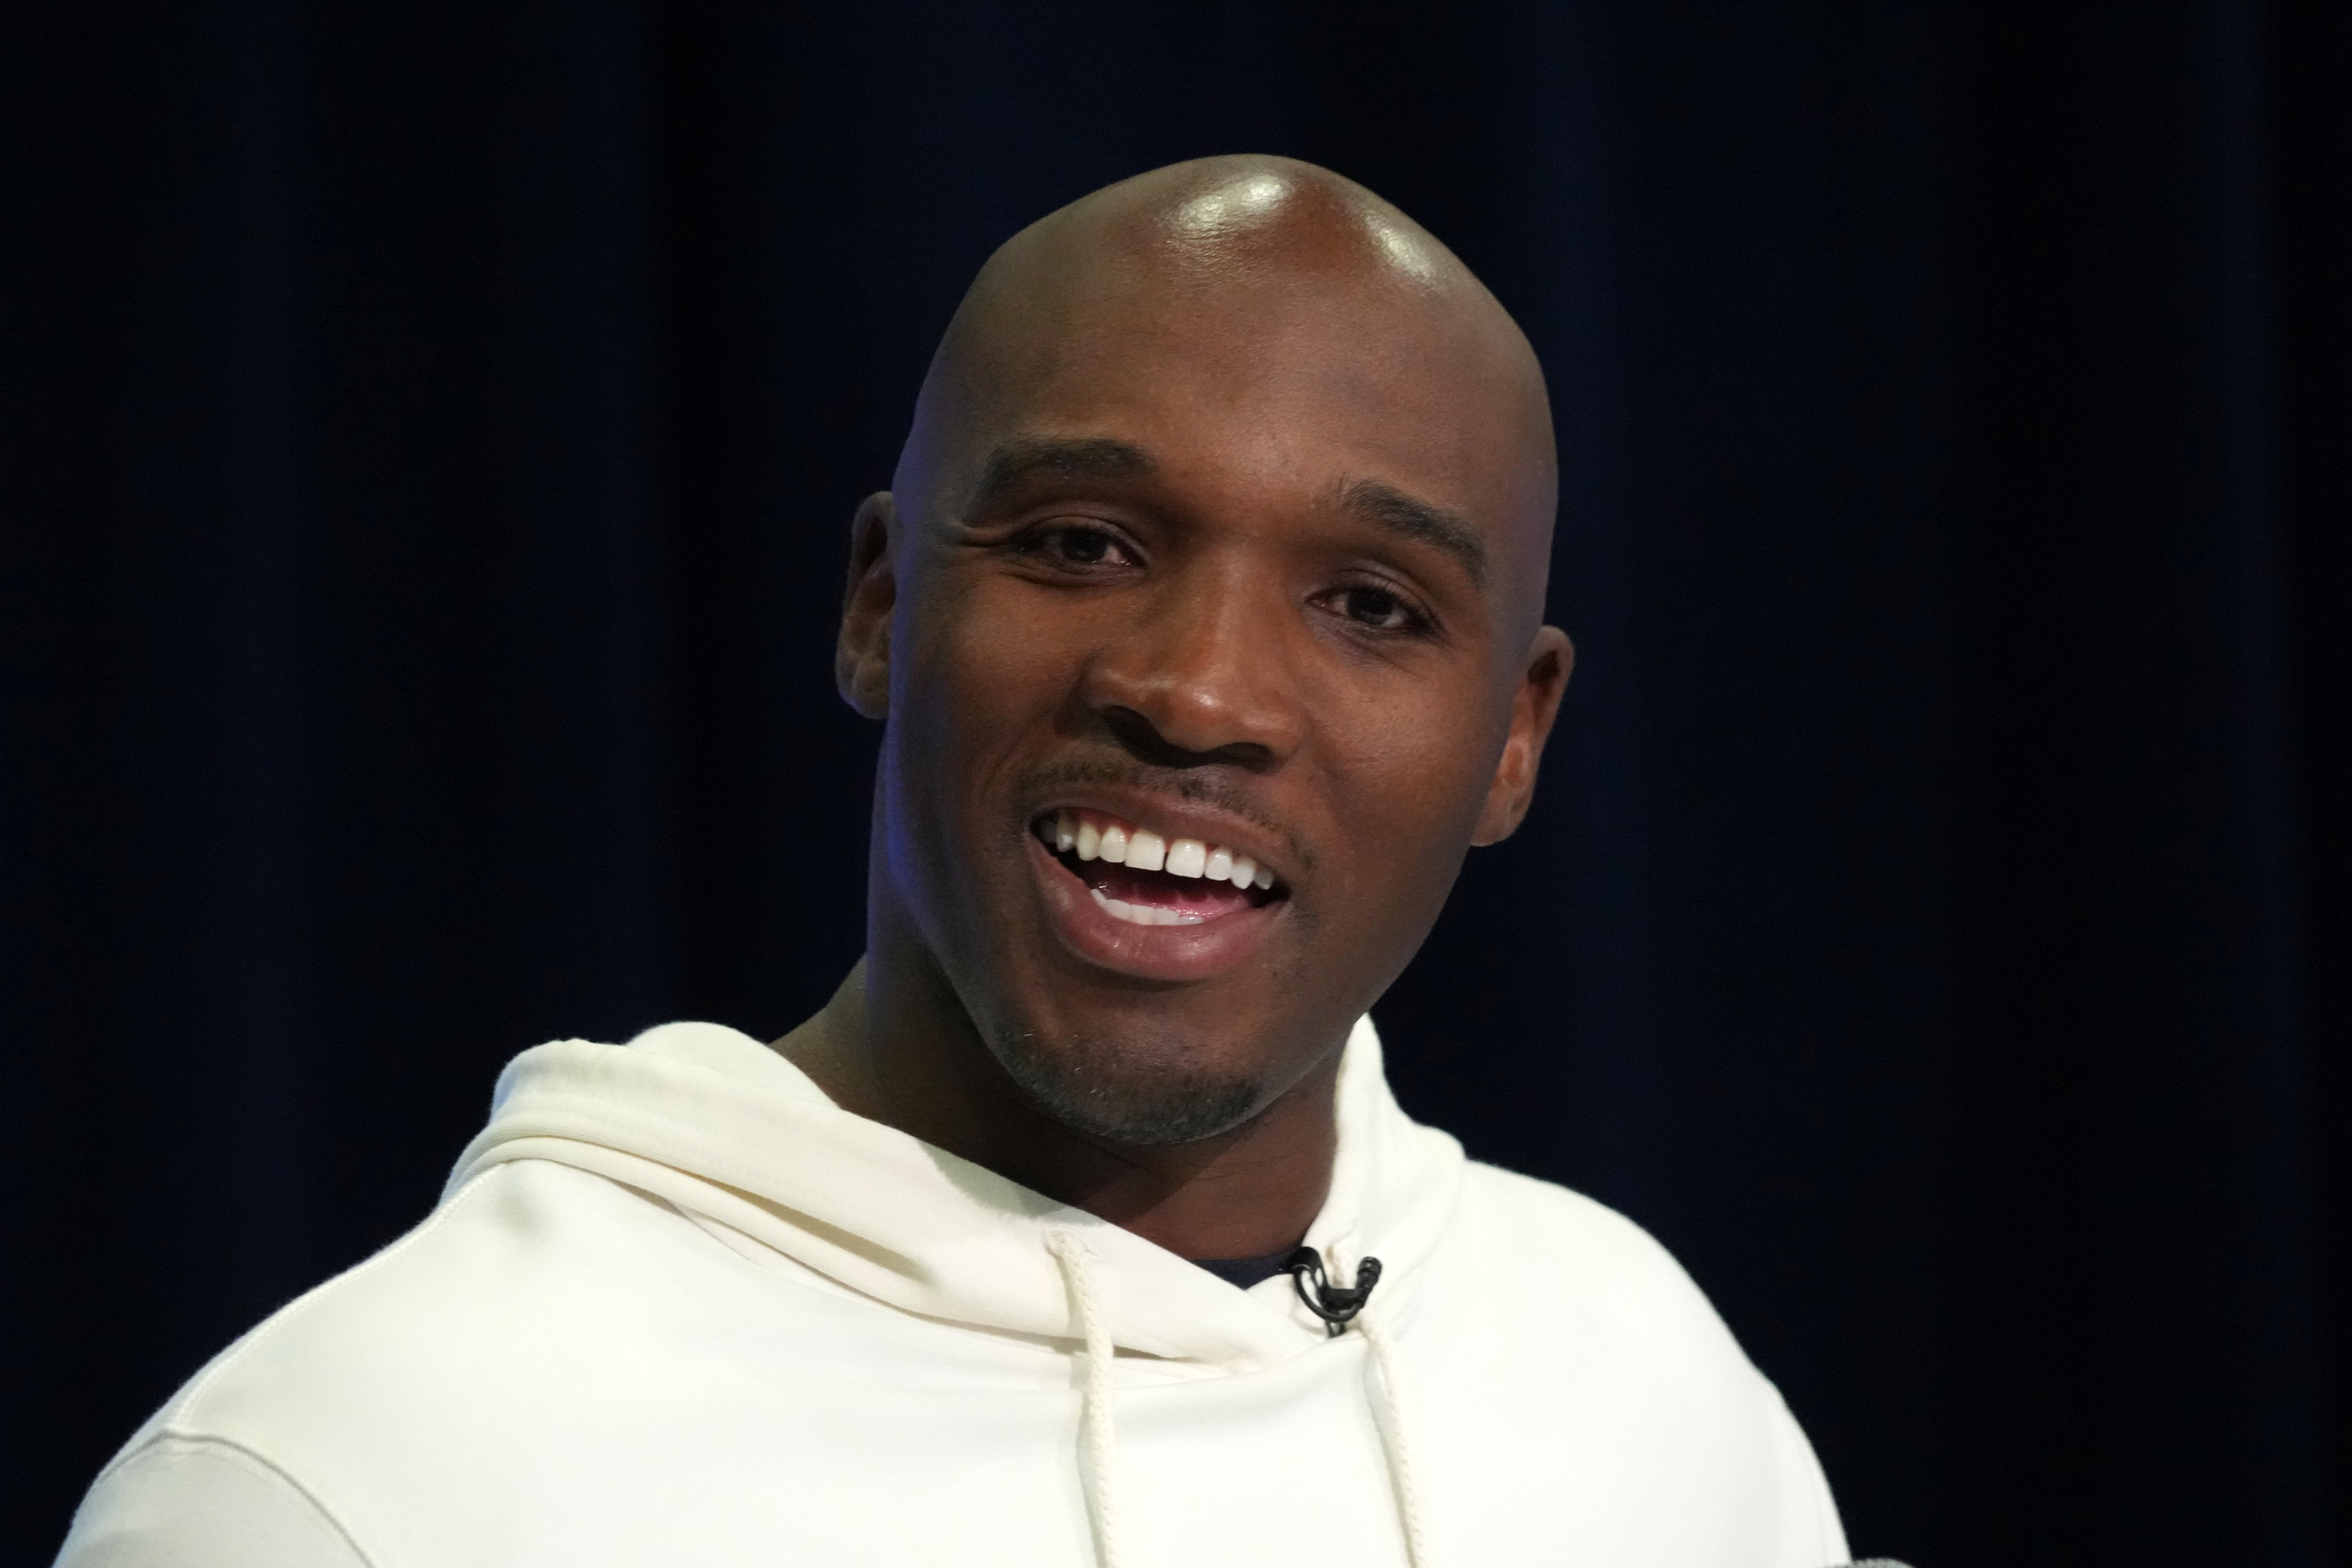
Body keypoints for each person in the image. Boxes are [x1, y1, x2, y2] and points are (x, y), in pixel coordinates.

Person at [56, 155, 1851, 1568]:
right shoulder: (351, 1485)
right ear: (882, 602)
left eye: (1371, 605)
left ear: (1516, 739)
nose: (1201, 691)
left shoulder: (1645, 1389)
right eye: (1083, 542)